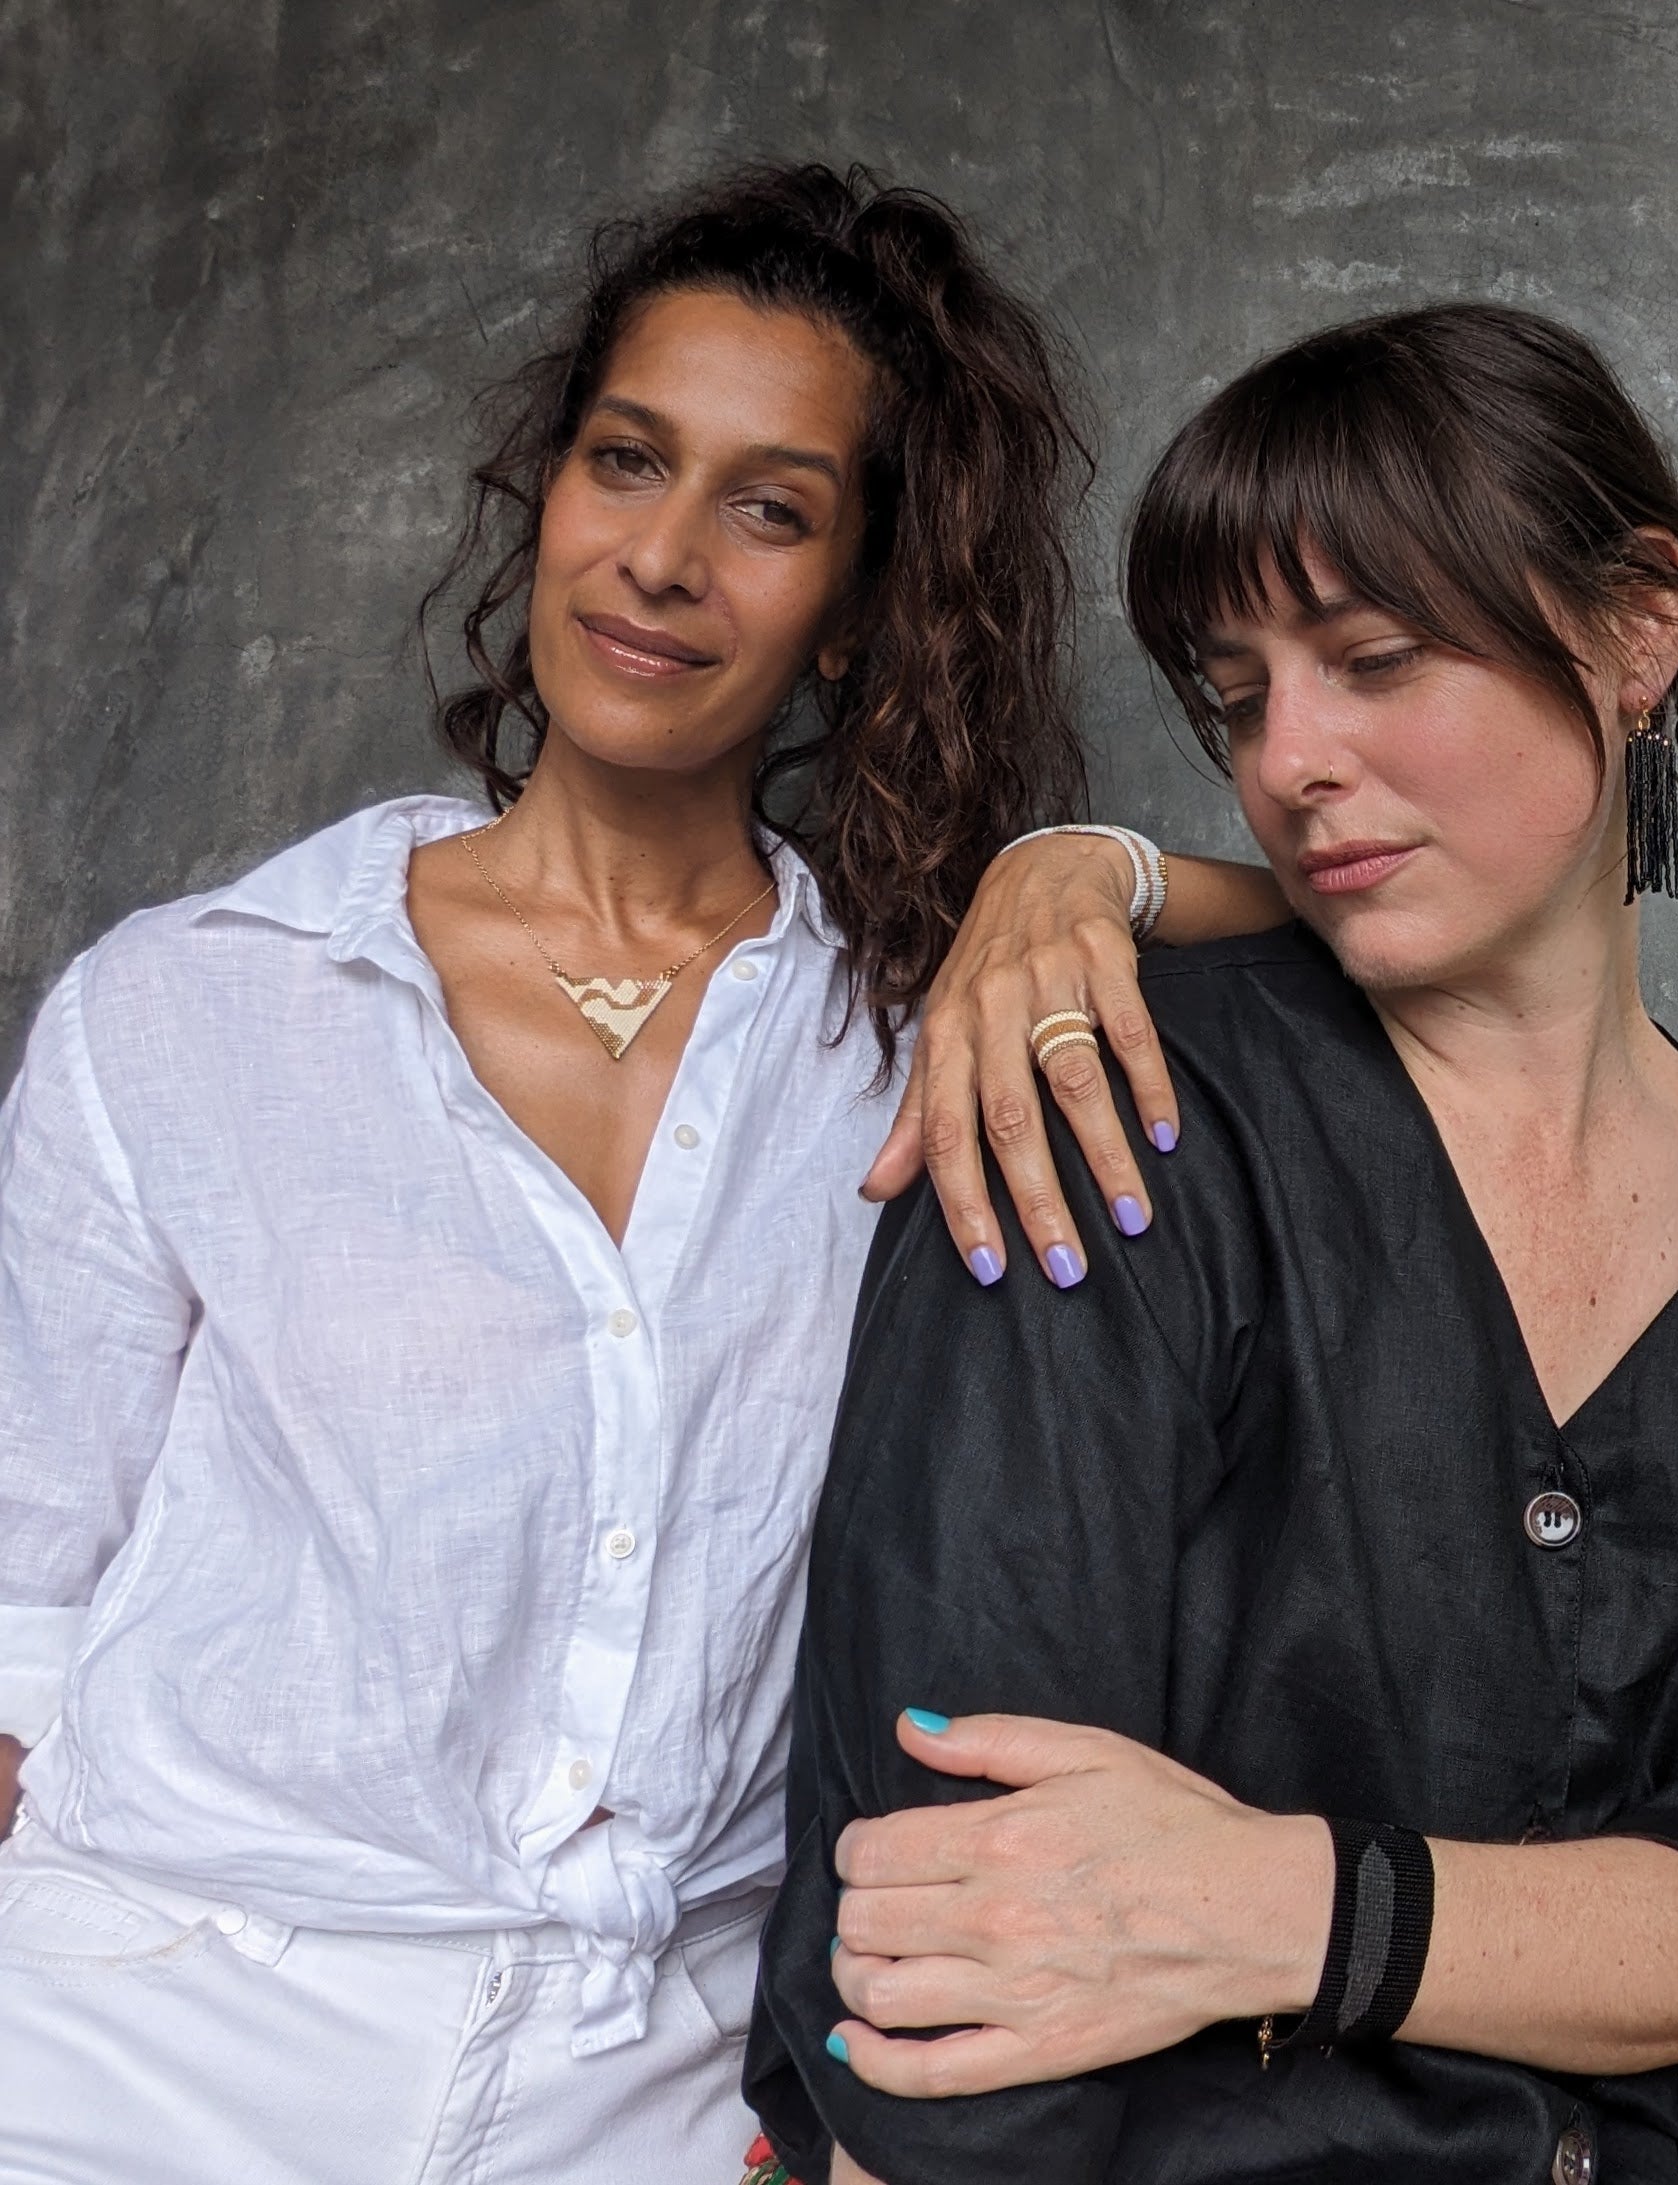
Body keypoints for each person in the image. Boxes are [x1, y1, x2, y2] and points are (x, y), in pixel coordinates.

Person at [0, 164, 1279, 2182]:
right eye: (627, 463)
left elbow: (1381, 926)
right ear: (551, 495)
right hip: (137, 2033)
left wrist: (1082, 866)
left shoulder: (925, 1029)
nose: (662, 560)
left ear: (859, 600)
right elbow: (20, 1623)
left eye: (768, 509)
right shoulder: (188, 1009)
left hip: (654, 2085)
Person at [750, 303, 1678, 2185]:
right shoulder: (1105, 1117)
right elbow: (960, 1949)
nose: (1291, 758)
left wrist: (1288, 1905)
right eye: (1237, 696)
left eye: (1376, 657)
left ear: (1636, 627)